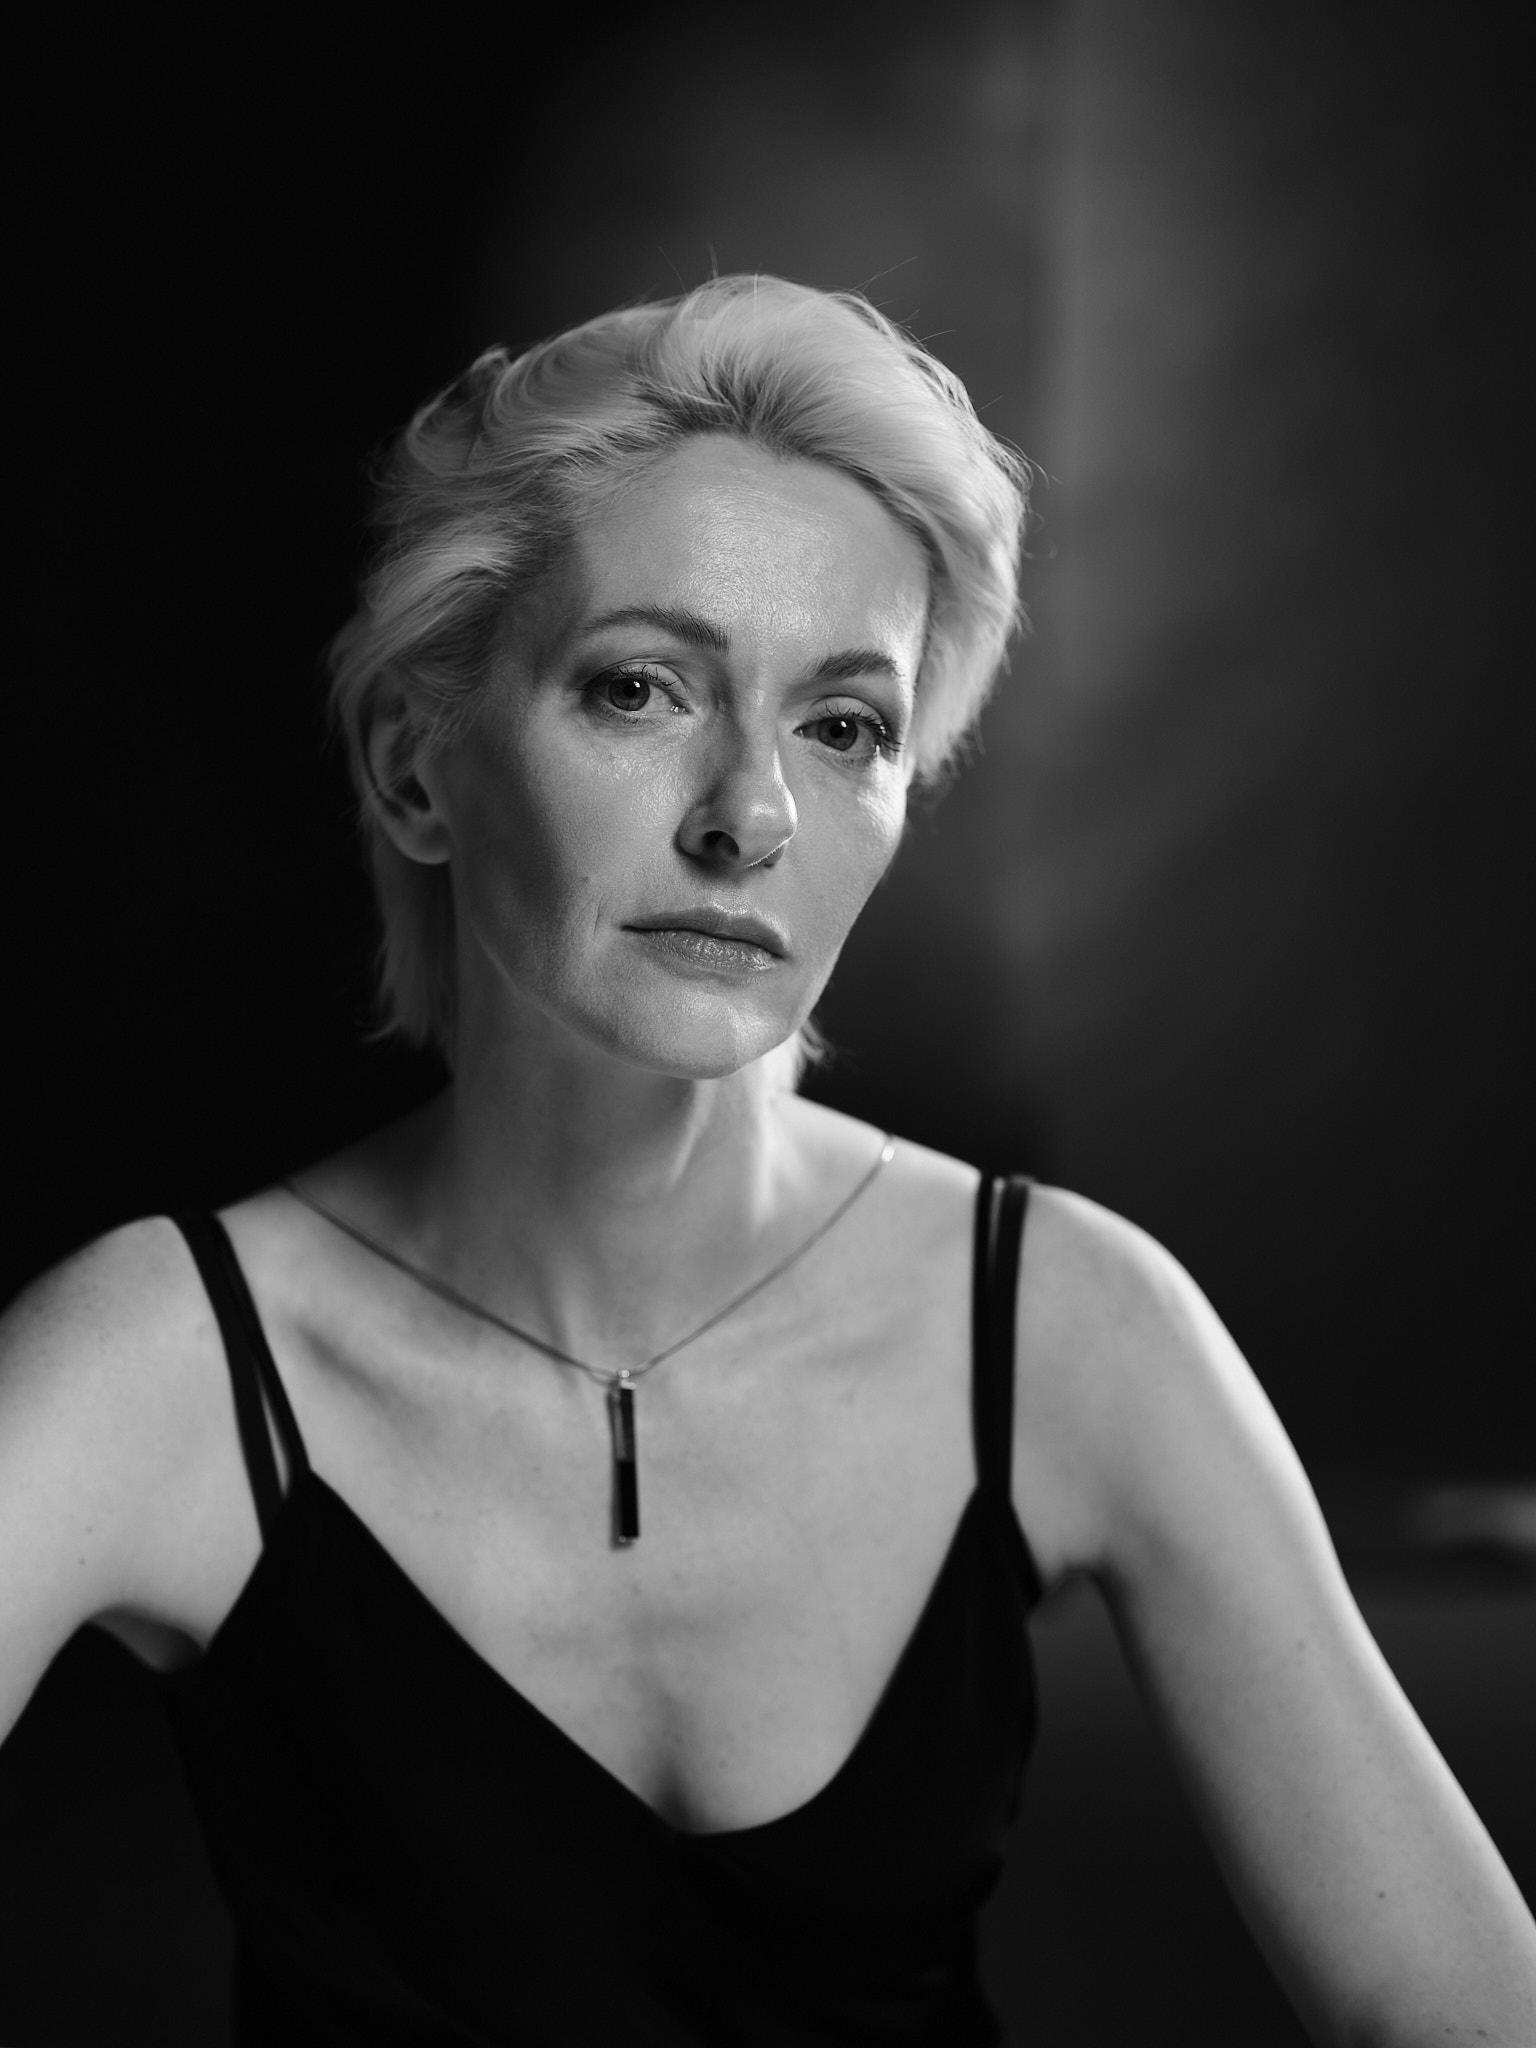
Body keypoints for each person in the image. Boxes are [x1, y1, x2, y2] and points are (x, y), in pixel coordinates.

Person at [1, 274, 1531, 2046]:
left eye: (845, 724)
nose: (752, 815)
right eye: (640, 688)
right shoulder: (165, 1366)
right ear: (416, 769)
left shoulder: (1067, 1321)